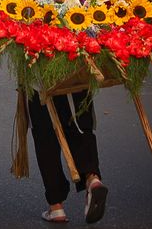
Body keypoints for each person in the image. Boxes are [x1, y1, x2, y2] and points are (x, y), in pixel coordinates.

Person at [28, 89, 108, 224]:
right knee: (79, 122)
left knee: (45, 133)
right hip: (75, 73)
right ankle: (92, 178)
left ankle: (56, 206)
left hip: (39, 79)